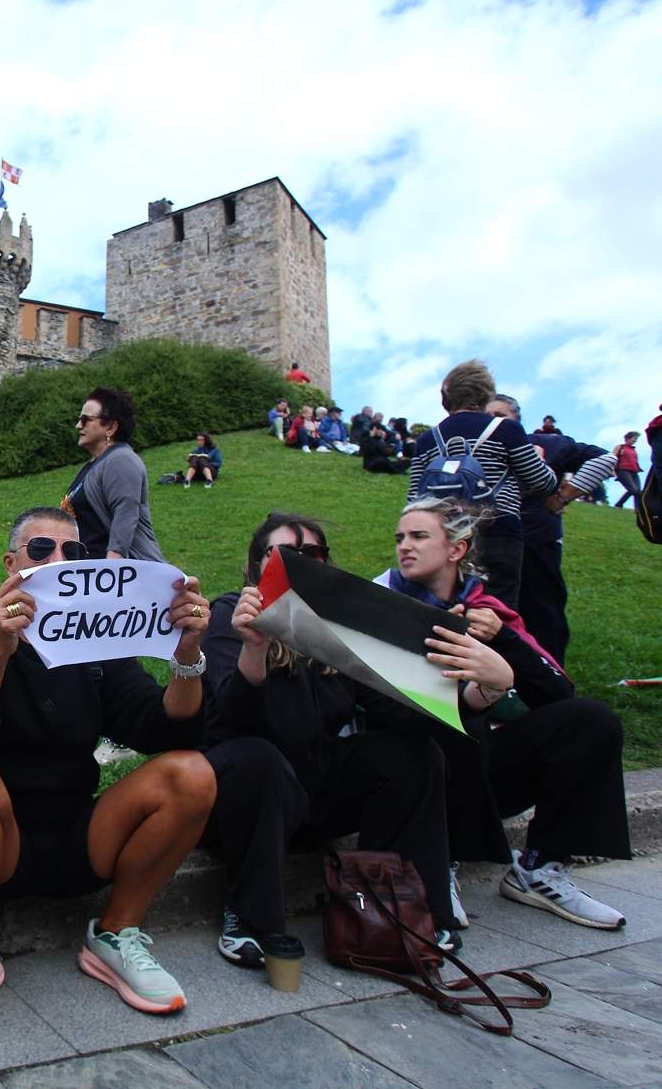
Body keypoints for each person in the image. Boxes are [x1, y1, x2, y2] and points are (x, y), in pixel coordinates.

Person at [0, 506, 216, 1028]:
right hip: (0, 840)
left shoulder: (99, 647)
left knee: (191, 772)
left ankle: (116, 932)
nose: (59, 561)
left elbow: (166, 729)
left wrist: (187, 655)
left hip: (82, 834)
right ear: (10, 562)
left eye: (74, 552)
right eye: (42, 550)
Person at [201, 512, 460, 968]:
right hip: (245, 794)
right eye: (282, 553)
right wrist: (255, 649)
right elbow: (233, 719)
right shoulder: (228, 614)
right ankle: (248, 916)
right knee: (258, 758)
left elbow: (392, 708)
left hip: (314, 783)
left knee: (412, 753)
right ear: (255, 565)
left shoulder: (338, 631)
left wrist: (475, 686)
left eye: (311, 555)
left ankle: (406, 908)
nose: (298, 563)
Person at [378, 497, 630, 931]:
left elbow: (558, 692)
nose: (405, 546)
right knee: (460, 716)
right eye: (400, 538)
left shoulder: (489, 611)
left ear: (456, 549)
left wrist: (502, 644)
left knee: (591, 720)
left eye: (419, 536)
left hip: (489, 769)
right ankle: (439, 865)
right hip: (413, 768)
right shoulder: (381, 602)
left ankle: (539, 869)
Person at [406, 360, 555, 608]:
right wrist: (542, 461)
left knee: (444, 607)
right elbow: (542, 482)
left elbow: (414, 499)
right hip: (498, 530)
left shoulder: (427, 440)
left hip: (444, 534)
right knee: (495, 609)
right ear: (487, 394)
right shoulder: (507, 429)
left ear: (446, 397)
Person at [487, 394, 614, 664]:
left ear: (517, 421)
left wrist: (562, 496)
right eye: (488, 418)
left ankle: (550, 677)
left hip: (536, 539)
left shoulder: (546, 442)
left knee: (543, 613)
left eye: (501, 416)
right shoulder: (479, 447)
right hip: (489, 542)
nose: (493, 424)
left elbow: (604, 460)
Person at [61, 387, 163, 560]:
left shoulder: (121, 460)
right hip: (92, 574)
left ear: (110, 427)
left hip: (115, 578)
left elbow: (125, 514)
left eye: (86, 419)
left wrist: (112, 569)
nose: (78, 425)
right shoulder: (94, 465)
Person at [614, 432, 643, 510]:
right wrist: (612, 471)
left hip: (634, 472)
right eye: (634, 438)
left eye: (636, 439)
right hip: (623, 471)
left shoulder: (634, 450)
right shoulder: (620, 447)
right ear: (628, 438)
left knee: (638, 492)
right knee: (633, 490)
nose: (635, 440)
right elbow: (612, 458)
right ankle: (619, 504)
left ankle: (637, 510)